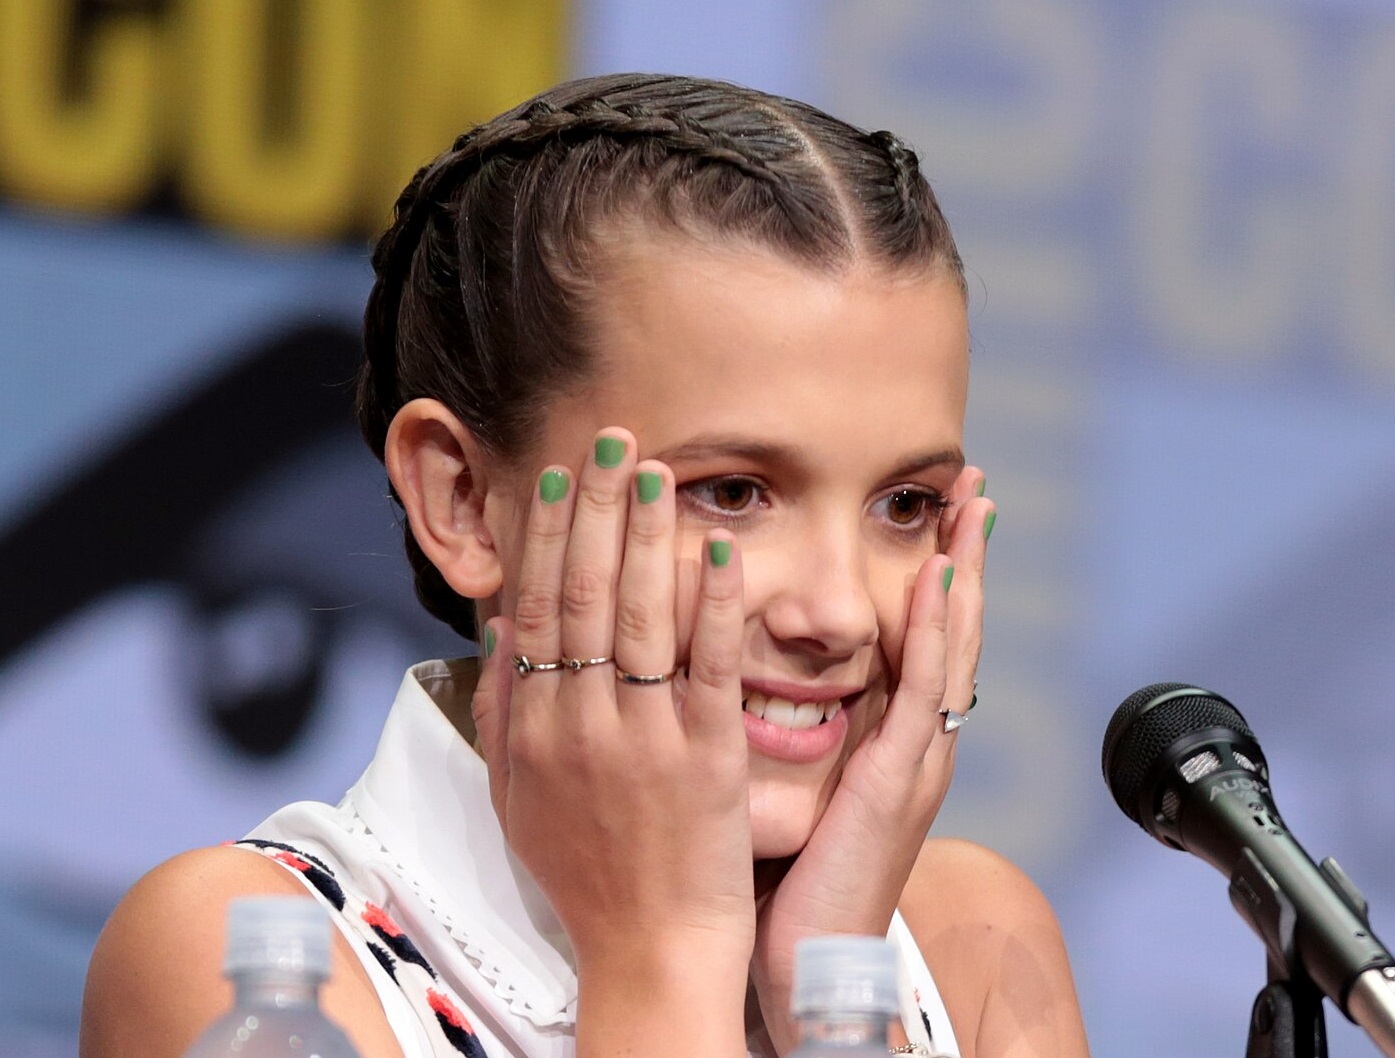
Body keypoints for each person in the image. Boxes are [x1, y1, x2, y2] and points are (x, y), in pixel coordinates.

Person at [81, 73, 1090, 1058]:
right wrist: (664, 960)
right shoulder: (251, 962)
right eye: (731, 491)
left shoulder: (975, 945)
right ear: (463, 498)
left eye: (905, 506)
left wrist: (830, 998)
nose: (838, 611)